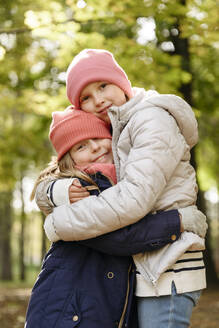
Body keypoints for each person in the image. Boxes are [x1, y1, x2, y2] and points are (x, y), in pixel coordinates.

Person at [37, 49, 207, 327]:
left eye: (103, 86)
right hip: (147, 265)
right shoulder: (117, 130)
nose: (98, 99)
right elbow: (68, 161)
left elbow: (132, 200)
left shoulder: (149, 120)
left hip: (169, 265)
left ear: (122, 82)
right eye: (86, 98)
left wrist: (58, 223)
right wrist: (50, 193)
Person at [26, 109, 190, 328]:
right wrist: (176, 222)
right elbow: (117, 237)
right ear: (70, 159)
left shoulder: (126, 180)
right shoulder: (83, 187)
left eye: (98, 138)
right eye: (81, 146)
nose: (94, 147)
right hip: (68, 312)